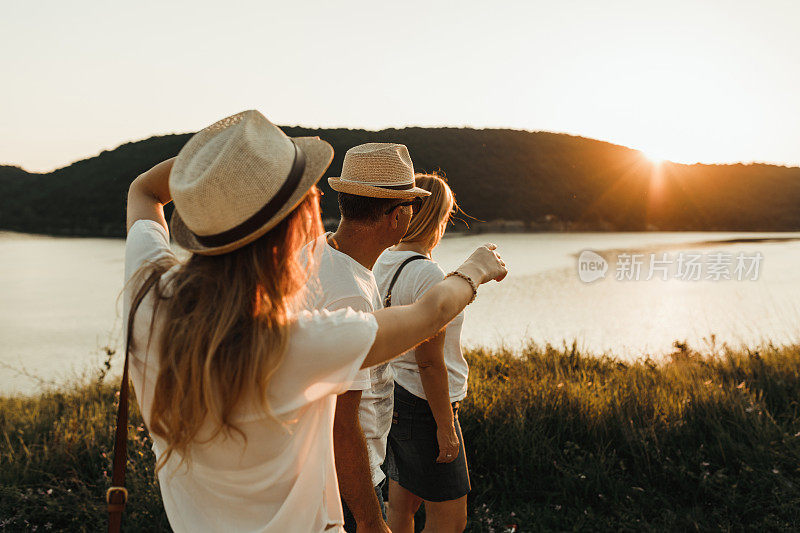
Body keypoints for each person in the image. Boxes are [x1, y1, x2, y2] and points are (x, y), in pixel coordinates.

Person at [122, 110, 507, 533]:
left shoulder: (149, 300)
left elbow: (143, 189)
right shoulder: (296, 344)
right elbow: (429, 314)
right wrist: (476, 268)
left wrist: (226, 170)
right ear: (290, 229)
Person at [301, 143, 430, 532]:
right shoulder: (349, 292)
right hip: (344, 479)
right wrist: (371, 519)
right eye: (411, 205)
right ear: (396, 216)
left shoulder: (319, 250)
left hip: (322, 469)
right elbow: (342, 422)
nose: (412, 214)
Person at [373, 174, 471, 533]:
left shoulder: (384, 259)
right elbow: (428, 361)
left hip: (394, 396)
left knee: (402, 505)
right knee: (450, 521)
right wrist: (446, 427)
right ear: (437, 218)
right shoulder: (428, 274)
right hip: (425, 405)